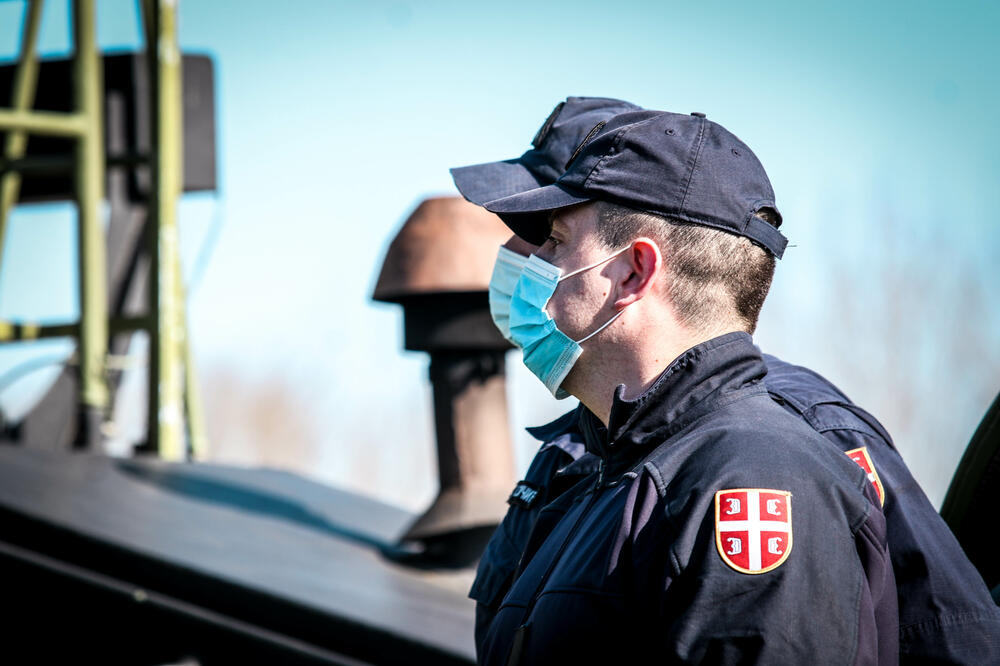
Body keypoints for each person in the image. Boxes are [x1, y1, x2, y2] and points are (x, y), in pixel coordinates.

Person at [455, 98, 1000, 664]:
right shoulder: (609, 467)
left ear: (633, 272)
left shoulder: (758, 477)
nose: (532, 262)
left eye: (556, 241)